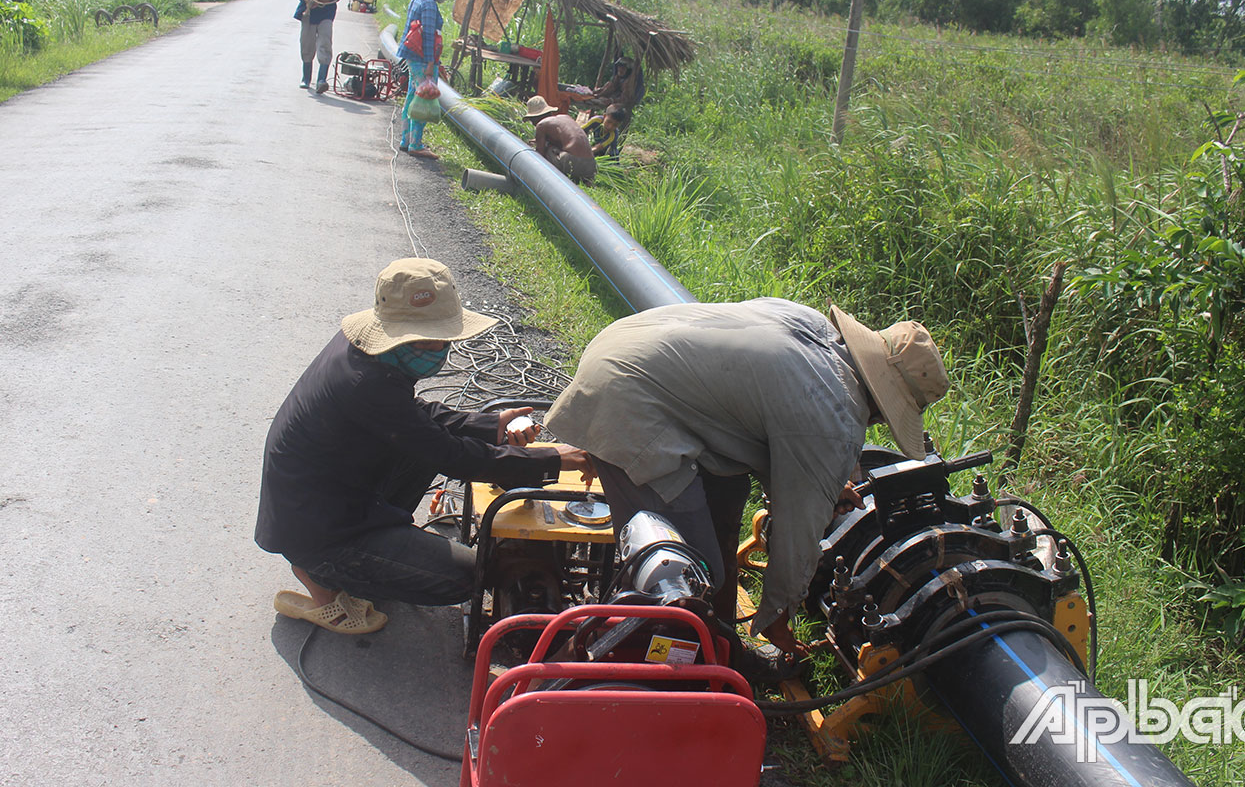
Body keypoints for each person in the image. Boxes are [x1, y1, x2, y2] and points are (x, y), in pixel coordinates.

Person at [545, 298, 948, 677]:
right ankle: (605, 665)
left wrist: (827, 480)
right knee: (688, 581)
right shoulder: (832, 416)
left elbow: (772, 416)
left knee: (727, 495)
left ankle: (720, 647)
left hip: (624, 348)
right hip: (630, 402)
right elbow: (797, 535)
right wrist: (778, 617)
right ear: (884, 401)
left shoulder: (813, 326)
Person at [257, 258, 595, 634]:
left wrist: (490, 425)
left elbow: (413, 418)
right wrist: (551, 459)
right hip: (317, 529)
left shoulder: (370, 356)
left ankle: (381, 549)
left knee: (418, 450)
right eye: (430, 339)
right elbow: (451, 456)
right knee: (469, 578)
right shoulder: (364, 382)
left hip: (330, 497)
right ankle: (322, 575)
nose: (440, 347)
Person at [397, 0, 462, 159]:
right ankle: (416, 144)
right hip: (422, 58)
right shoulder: (429, 6)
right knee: (424, 98)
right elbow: (427, 37)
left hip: (412, 56)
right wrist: (430, 64)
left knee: (412, 95)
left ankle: (406, 140)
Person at [524, 95, 597, 184]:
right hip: (591, 166)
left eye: (532, 120)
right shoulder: (565, 117)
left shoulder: (541, 125)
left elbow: (540, 154)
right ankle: (585, 180)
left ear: (535, 117)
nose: (532, 123)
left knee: (548, 149)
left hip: (572, 163)